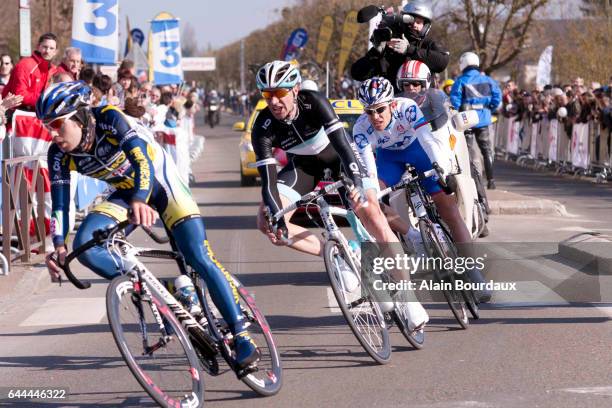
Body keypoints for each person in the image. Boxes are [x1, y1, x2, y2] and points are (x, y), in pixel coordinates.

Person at [39, 81, 260, 369]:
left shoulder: (109, 119)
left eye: (57, 124)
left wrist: (142, 200)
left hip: (161, 184)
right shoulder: (58, 153)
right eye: (47, 126)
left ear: (79, 116)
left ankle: (242, 335)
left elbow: (143, 163)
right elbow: (59, 203)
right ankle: (164, 289)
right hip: (125, 193)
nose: (52, 133)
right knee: (86, 246)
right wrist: (57, 244)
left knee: (196, 255)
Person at [252, 60, 429, 332]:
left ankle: (408, 297)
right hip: (303, 167)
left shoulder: (313, 102)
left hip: (340, 158)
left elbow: (344, 146)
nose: (274, 101)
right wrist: (276, 216)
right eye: (267, 95)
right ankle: (341, 255)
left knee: (372, 213)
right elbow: (268, 180)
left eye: (280, 93)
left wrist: (357, 182)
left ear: (296, 90)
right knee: (266, 221)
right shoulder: (263, 125)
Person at [353, 77, 491, 302]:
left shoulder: (407, 108)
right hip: (389, 159)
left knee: (449, 210)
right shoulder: (361, 128)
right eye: (369, 111)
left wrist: (440, 170)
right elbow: (369, 169)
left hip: (417, 149)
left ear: (392, 104)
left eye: (380, 109)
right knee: (373, 202)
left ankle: (474, 273)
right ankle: (413, 235)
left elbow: (427, 140)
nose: (375, 117)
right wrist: (372, 194)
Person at [351, 0, 449, 90]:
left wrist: (409, 50)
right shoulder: (390, 44)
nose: (414, 25)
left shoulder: (428, 43)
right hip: (395, 104)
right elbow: (357, 74)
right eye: (411, 21)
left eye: (418, 22)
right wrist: (376, 52)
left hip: (424, 103)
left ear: (425, 26)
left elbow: (442, 62)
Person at [450, 52, 501, 190]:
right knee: (486, 151)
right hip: (484, 117)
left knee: (467, 151)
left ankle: (470, 180)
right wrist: (489, 108)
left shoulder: (460, 81)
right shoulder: (489, 80)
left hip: (467, 119)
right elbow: (497, 97)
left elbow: (454, 101)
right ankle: (491, 181)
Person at [2, 32, 57, 110]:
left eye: (51, 48)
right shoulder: (25, 65)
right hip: (16, 113)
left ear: (55, 52)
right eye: (45, 47)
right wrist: (45, 99)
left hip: (37, 113)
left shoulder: (53, 70)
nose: (47, 51)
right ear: (38, 47)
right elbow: (19, 96)